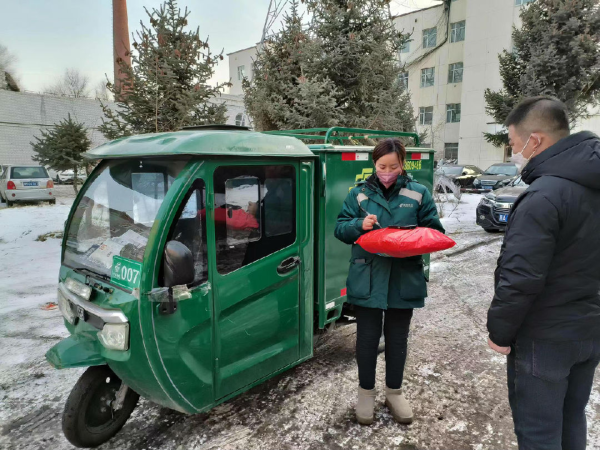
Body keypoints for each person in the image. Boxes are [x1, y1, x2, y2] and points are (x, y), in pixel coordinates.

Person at [486, 96, 600, 450]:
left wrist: (500, 332)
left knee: (539, 433)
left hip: (545, 339)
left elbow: (521, 277)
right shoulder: (591, 186)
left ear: (534, 140)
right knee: (571, 418)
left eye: (513, 143)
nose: (513, 152)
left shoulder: (544, 196)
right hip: (588, 331)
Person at [334, 138, 444, 425]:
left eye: (393, 166)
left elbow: (434, 231)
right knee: (367, 340)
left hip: (403, 276)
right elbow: (340, 229)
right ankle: (366, 394)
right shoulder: (358, 194)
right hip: (368, 276)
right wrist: (359, 225)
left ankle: (394, 393)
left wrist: (407, 236)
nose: (386, 172)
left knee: (397, 339)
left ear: (402, 164)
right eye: (381, 166)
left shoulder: (418, 193)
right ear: (374, 164)